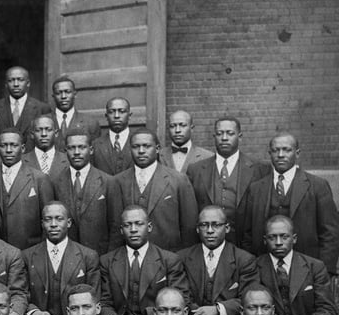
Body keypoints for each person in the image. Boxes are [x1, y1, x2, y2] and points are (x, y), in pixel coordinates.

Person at [241, 132, 339, 274]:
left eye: (286, 150)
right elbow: (248, 235)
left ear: (297, 153)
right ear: (270, 153)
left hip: (307, 269)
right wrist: (251, 269)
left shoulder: (318, 186)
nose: (280, 155)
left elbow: (330, 233)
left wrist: (325, 271)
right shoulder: (256, 188)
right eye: (275, 150)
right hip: (265, 270)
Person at [99, 206, 190, 315]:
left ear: (149, 227)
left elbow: (181, 299)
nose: (133, 229)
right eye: (128, 225)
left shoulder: (169, 260)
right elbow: (103, 301)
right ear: (121, 230)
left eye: (139, 224)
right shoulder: (107, 261)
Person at [178, 205, 257, 315]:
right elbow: (179, 293)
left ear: (227, 228)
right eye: (204, 225)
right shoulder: (182, 258)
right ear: (197, 229)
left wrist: (217, 310)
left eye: (216, 225)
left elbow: (249, 298)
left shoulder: (244, 260)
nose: (210, 231)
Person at [22, 202, 100, 315]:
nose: (53, 224)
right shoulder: (28, 256)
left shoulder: (87, 256)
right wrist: (34, 312)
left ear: (68, 223)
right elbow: (21, 293)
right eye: (48, 219)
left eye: (59, 219)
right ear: (42, 224)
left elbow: (94, 297)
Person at [112, 128, 198, 252]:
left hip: (169, 256)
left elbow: (189, 227)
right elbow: (115, 227)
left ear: (157, 149)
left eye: (146, 146)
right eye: (136, 147)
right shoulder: (118, 181)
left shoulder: (178, 180)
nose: (141, 151)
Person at [187, 117, 266, 245]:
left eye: (230, 133)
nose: (224, 138)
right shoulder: (195, 170)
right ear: (214, 137)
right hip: (206, 244)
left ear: (240, 137)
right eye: (219, 134)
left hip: (244, 245)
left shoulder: (259, 169)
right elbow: (190, 213)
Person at [51, 129, 118, 255]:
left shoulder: (108, 182)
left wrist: (108, 259)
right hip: (67, 256)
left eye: (82, 147)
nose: (77, 152)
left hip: (99, 254)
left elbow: (115, 225)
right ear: (65, 151)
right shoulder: (56, 182)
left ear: (91, 150)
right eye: (72, 148)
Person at [0, 128, 54, 250]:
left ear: (23, 148)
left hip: (30, 251)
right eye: (4, 145)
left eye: (14, 145)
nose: (8, 150)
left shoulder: (39, 179)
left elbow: (49, 220)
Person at [0, 66, 52, 149]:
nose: (16, 84)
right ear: (6, 84)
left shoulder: (42, 108)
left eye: (20, 80)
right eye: (11, 80)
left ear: (28, 83)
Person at [50, 77, 100, 151]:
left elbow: (94, 152)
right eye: (58, 93)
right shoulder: (43, 122)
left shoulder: (91, 123)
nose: (63, 96)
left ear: (75, 94)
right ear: (53, 96)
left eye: (67, 92)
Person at [91, 97, 134, 176]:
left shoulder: (140, 143)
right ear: (106, 116)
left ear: (129, 115)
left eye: (122, 111)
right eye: (111, 112)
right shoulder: (95, 145)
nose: (116, 116)